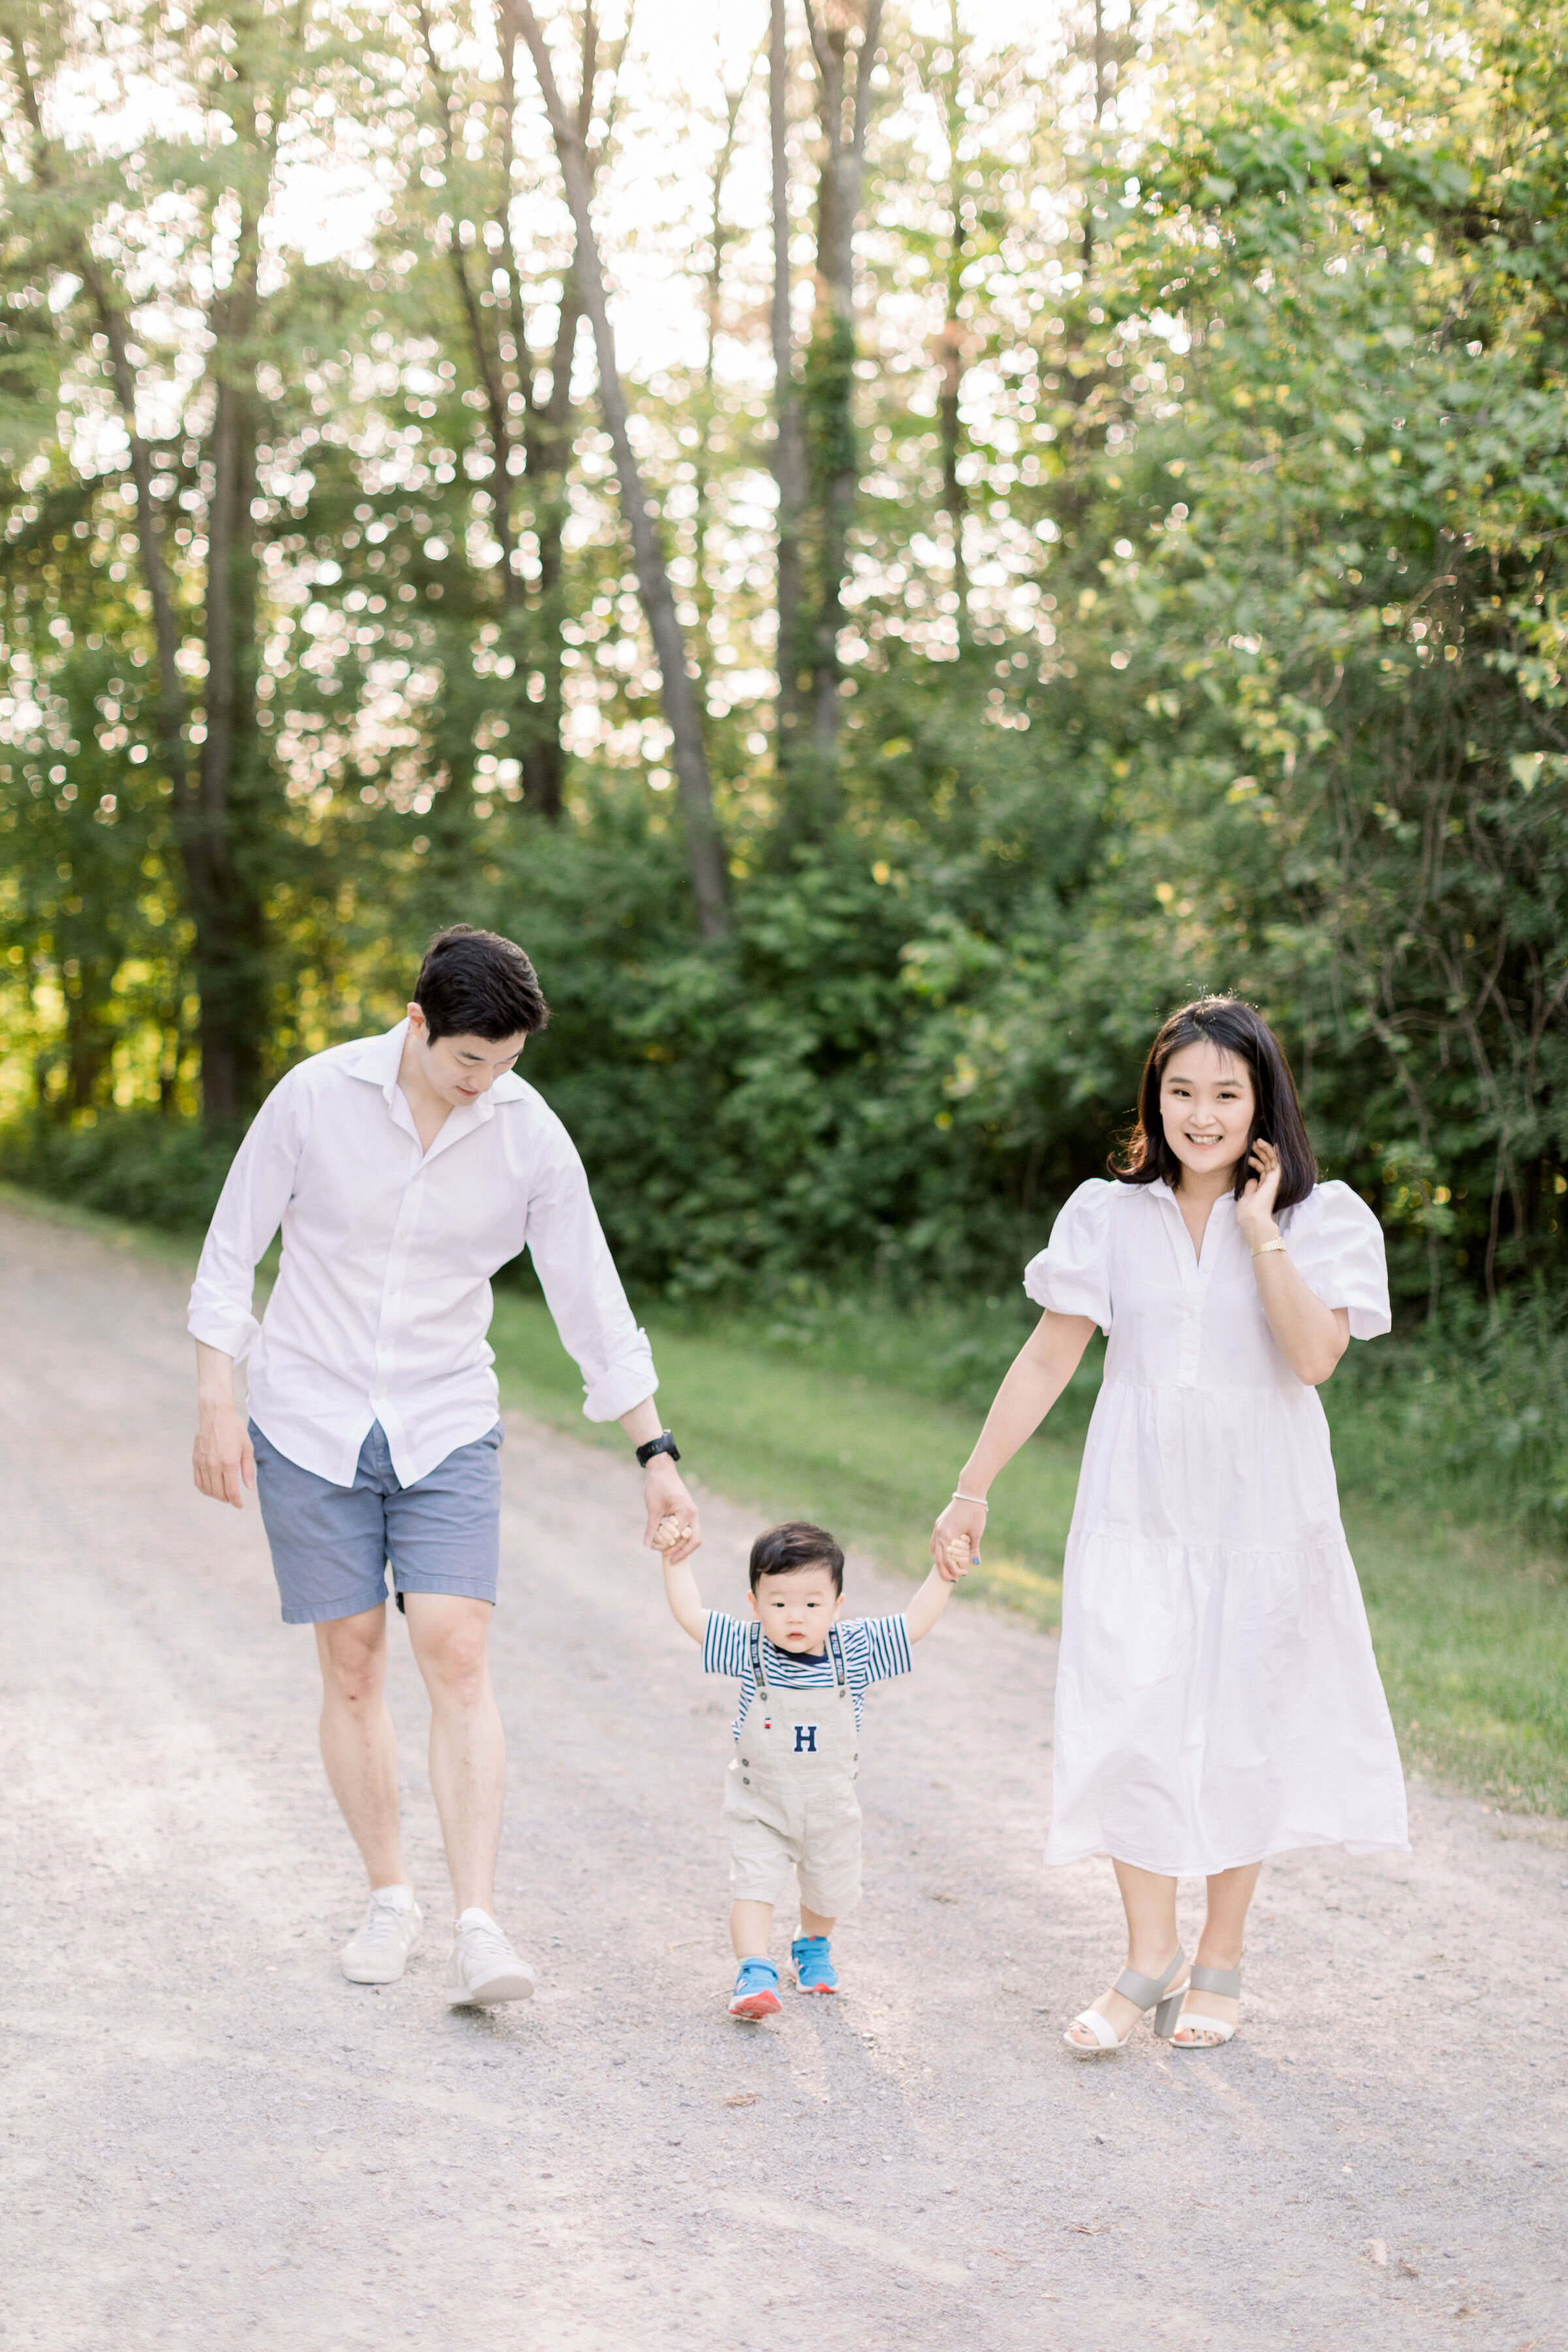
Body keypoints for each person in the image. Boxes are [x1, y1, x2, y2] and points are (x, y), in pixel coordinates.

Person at [188, 924, 700, 2008]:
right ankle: (390, 1895)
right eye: (470, 1061)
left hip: (444, 1416)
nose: (485, 1085)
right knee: (356, 1664)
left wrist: (653, 1450)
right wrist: (215, 1397)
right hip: (309, 1412)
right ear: (417, 1023)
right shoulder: (316, 1099)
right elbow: (232, 1250)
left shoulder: (526, 1135)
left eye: (506, 1065)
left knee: (455, 1650)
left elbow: (590, 1300)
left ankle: (477, 1924)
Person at [930, 996, 1407, 2053]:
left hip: (1263, 1515)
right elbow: (1051, 1356)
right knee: (1127, 1716)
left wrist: (1257, 1233)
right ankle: (1148, 1958)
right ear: (1157, 1097)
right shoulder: (1107, 1214)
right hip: (1134, 1511)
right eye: (1182, 1091)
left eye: (1226, 1095)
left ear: (1262, 1103)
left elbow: (1314, 1359)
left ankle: (1220, 1959)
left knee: (1248, 1726)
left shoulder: (1320, 1220)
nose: (1202, 1115)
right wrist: (974, 1484)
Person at [658, 1515, 958, 2017]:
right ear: (755, 1606)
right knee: (753, 1883)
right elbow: (691, 1615)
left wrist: (942, 1575)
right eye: (778, 1604)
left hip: (829, 1806)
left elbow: (914, 1625)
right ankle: (754, 1970)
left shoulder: (855, 1650)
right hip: (761, 1804)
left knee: (828, 1888)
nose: (795, 1618)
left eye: (812, 1605)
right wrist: (676, 1562)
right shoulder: (747, 1647)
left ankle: (812, 1945)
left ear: (837, 1607)